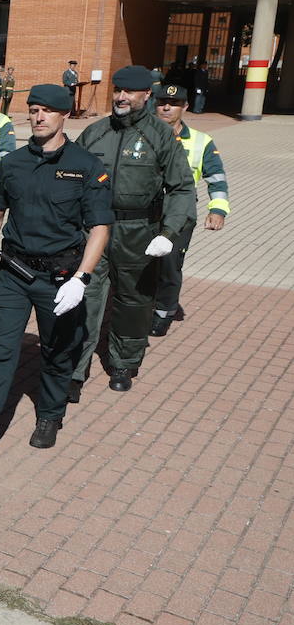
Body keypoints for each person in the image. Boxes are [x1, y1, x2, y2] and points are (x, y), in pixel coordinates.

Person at [0, 85, 112, 470]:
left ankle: (50, 413)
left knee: (58, 352)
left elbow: (100, 228)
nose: (39, 117)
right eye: (34, 110)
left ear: (64, 116)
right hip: (13, 274)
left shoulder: (87, 166)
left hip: (60, 278)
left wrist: (82, 279)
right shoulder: (13, 164)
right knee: (1, 355)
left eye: (48, 111)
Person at [70, 66, 195, 396]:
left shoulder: (161, 135)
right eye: (117, 90)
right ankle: (74, 369)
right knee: (85, 298)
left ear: (146, 96)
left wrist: (167, 233)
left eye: (129, 92)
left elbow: (182, 188)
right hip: (95, 229)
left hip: (139, 231)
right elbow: (71, 179)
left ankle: (124, 361)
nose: (121, 97)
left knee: (133, 301)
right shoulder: (95, 132)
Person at [151, 84, 229, 336]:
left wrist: (217, 210)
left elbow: (216, 178)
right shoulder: (142, 134)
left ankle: (164, 312)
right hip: (145, 211)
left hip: (180, 213)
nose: (166, 107)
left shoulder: (201, 141)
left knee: (169, 264)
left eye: (173, 103)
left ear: (184, 107)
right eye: (162, 101)